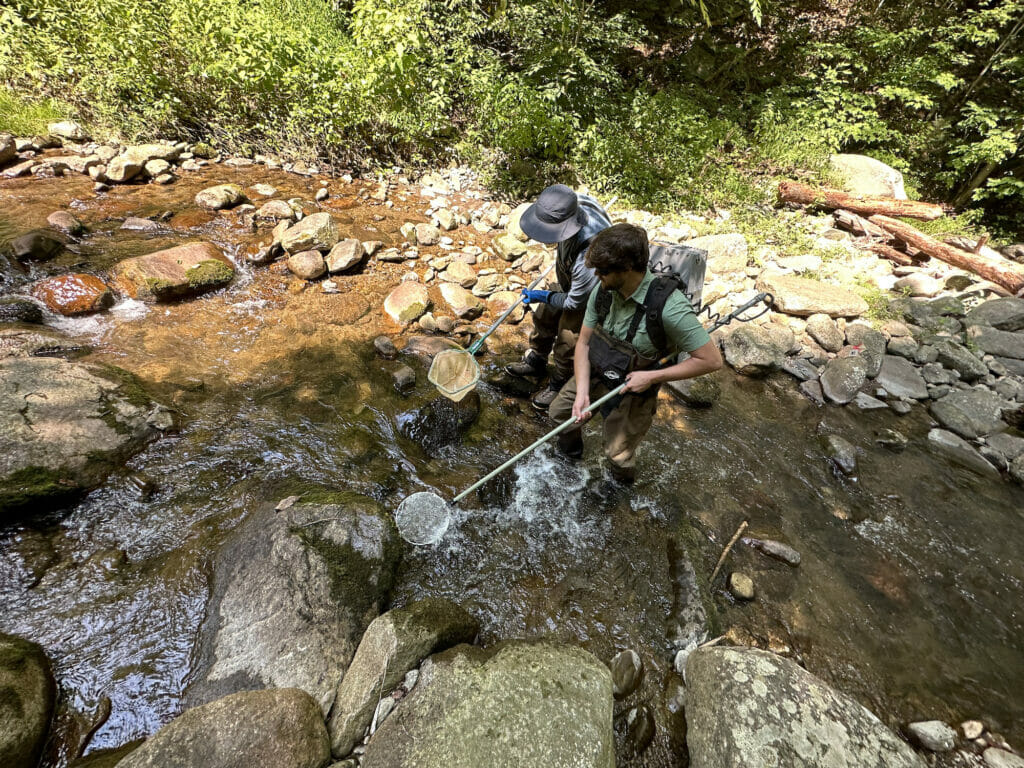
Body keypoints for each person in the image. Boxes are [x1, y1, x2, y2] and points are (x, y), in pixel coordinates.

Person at [547, 223, 723, 483]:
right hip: (597, 369)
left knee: (617, 453)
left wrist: (652, 378)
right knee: (561, 415)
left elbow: (711, 360)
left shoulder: (670, 308)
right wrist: (582, 392)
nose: (596, 276)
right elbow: (583, 344)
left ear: (627, 268)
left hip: (636, 387)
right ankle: (570, 459)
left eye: (603, 270)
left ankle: (620, 486)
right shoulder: (604, 289)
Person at [504, 184, 611, 410]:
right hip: (571, 273)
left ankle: (560, 382)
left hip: (594, 291)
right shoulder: (569, 202)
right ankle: (537, 360)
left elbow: (574, 301)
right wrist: (547, 299)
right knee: (545, 314)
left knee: (569, 336)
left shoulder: (591, 255)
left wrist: (543, 295)